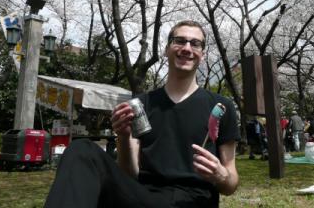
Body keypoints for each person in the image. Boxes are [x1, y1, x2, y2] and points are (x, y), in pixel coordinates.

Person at [44, 20, 240, 208]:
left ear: (202, 54)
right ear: (166, 49)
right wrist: (123, 137)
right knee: (81, 150)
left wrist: (220, 175)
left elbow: (231, 184)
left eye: (195, 43)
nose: (187, 48)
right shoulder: (140, 105)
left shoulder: (222, 106)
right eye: (179, 41)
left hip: (194, 201)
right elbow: (129, 173)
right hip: (143, 199)